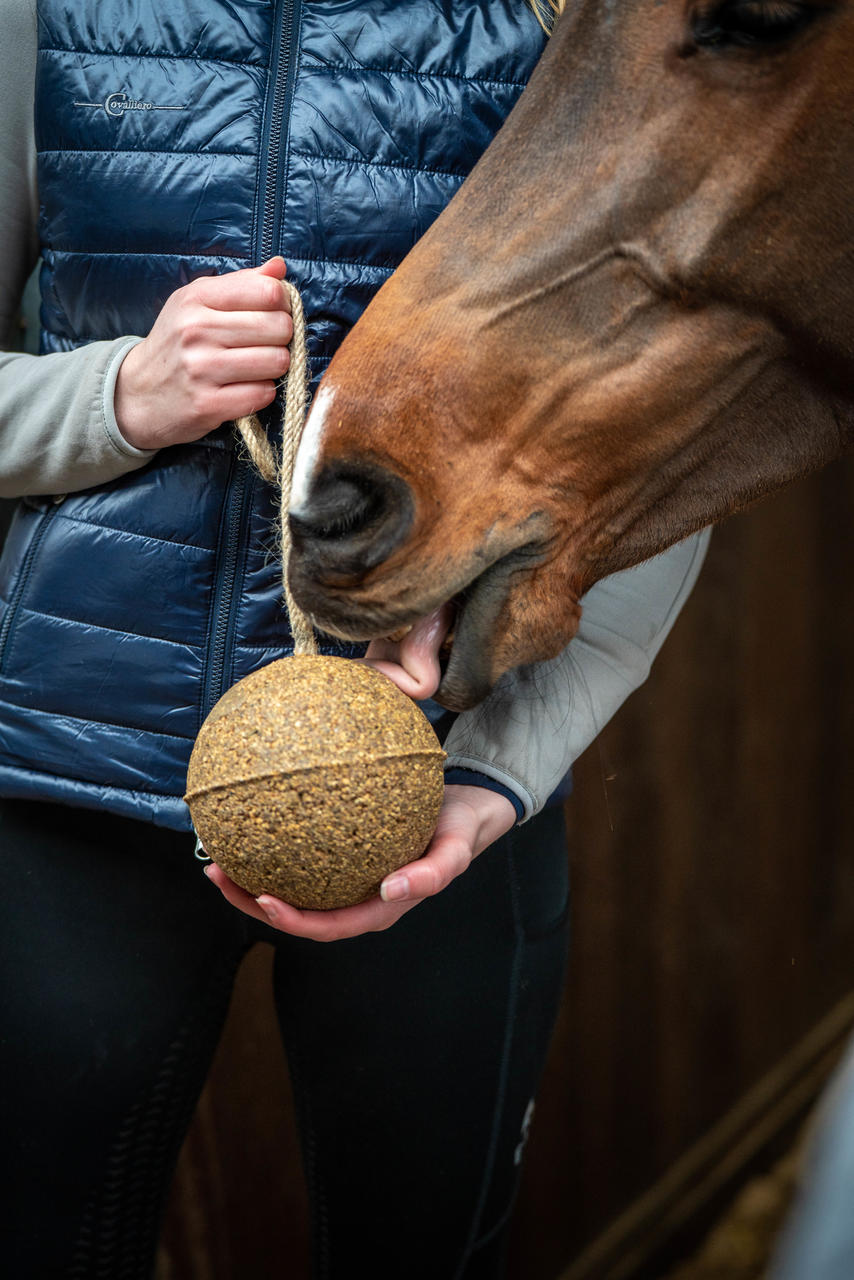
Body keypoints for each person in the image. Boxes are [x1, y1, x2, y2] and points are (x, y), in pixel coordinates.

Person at [0, 0, 709, 1275]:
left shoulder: (571, 20)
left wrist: (497, 775)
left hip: (439, 793)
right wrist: (117, 395)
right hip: (68, 779)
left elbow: (662, 442)